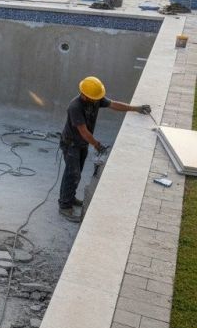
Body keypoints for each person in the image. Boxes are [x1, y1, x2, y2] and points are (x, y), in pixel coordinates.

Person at [59, 76, 150, 220]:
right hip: (71, 145)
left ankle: (70, 198)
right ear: (85, 95)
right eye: (95, 98)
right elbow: (83, 131)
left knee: (77, 173)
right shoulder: (75, 107)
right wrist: (97, 145)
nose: (98, 100)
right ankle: (64, 206)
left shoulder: (95, 99)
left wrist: (135, 108)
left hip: (82, 143)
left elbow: (114, 105)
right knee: (72, 173)